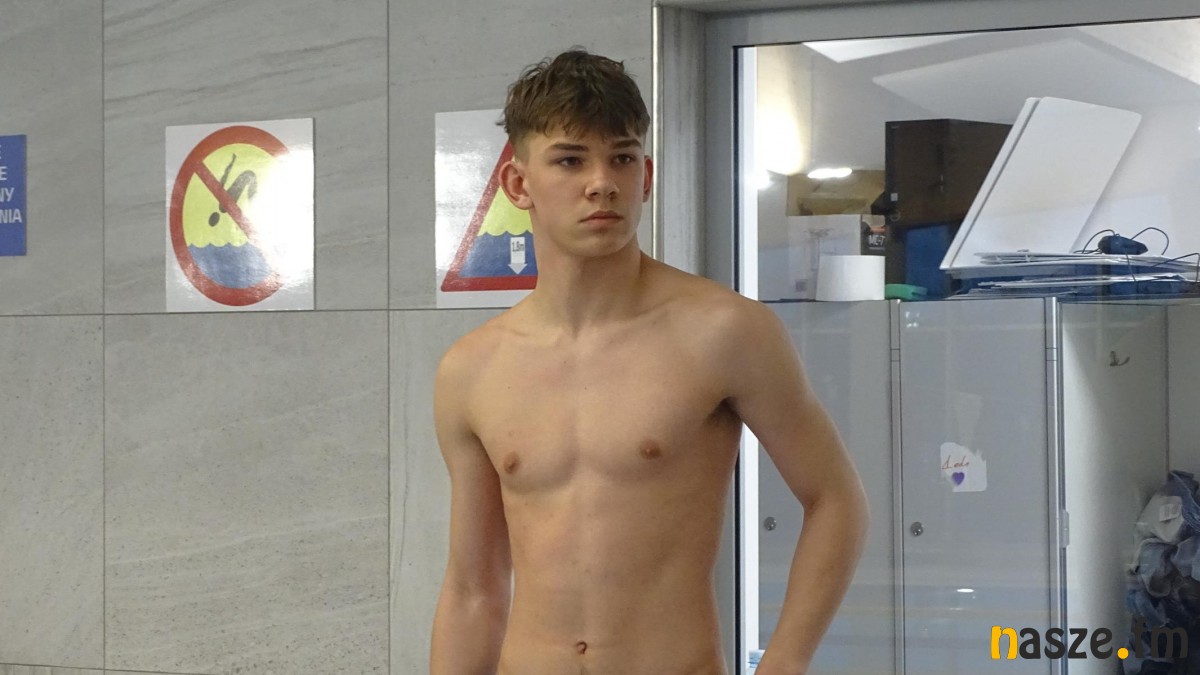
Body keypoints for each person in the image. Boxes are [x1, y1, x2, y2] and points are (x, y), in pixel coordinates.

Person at [429, 48, 869, 675]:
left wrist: (783, 663)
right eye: (571, 160)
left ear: (647, 176)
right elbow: (474, 588)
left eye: (623, 157)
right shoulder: (471, 369)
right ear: (519, 185)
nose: (602, 182)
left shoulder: (724, 331)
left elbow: (835, 500)